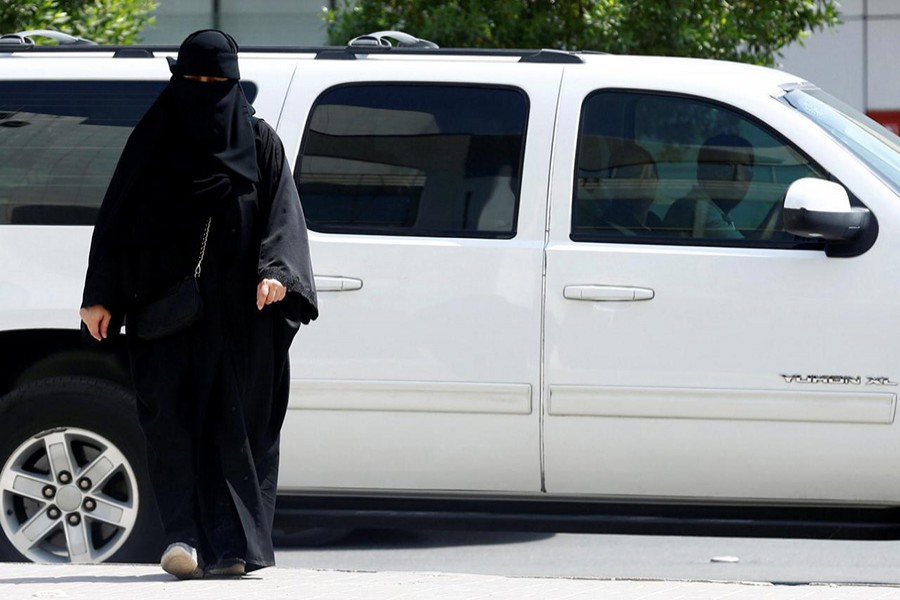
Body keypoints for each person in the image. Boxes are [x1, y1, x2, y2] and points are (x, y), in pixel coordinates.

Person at [79, 30, 318, 579]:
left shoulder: (259, 143)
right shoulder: (154, 140)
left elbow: (284, 217)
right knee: (172, 426)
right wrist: (100, 298)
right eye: (195, 81)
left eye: (218, 82)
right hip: (163, 313)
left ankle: (234, 547)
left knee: (236, 427)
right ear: (177, 80)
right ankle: (182, 537)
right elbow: (114, 221)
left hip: (241, 319)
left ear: (235, 83)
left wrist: (277, 274)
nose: (206, 92)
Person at [662, 133, 754, 239]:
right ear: (702, 172)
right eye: (727, 166)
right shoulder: (697, 209)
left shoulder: (716, 210)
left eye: (745, 167)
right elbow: (747, 251)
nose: (738, 176)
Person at [598, 142, 661, 234]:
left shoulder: (655, 224)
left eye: (649, 177)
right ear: (614, 183)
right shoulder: (605, 233)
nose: (643, 184)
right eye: (634, 176)